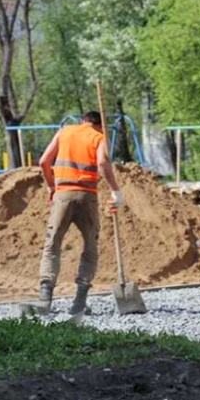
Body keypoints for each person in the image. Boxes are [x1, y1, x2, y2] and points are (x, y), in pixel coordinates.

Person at [36, 111, 124, 322]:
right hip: (88, 196)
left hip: (63, 195)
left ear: (83, 121)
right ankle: (79, 301)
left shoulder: (64, 132)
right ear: (99, 125)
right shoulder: (98, 137)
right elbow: (103, 163)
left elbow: (43, 162)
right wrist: (115, 191)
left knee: (52, 244)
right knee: (90, 247)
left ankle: (45, 299)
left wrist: (51, 187)